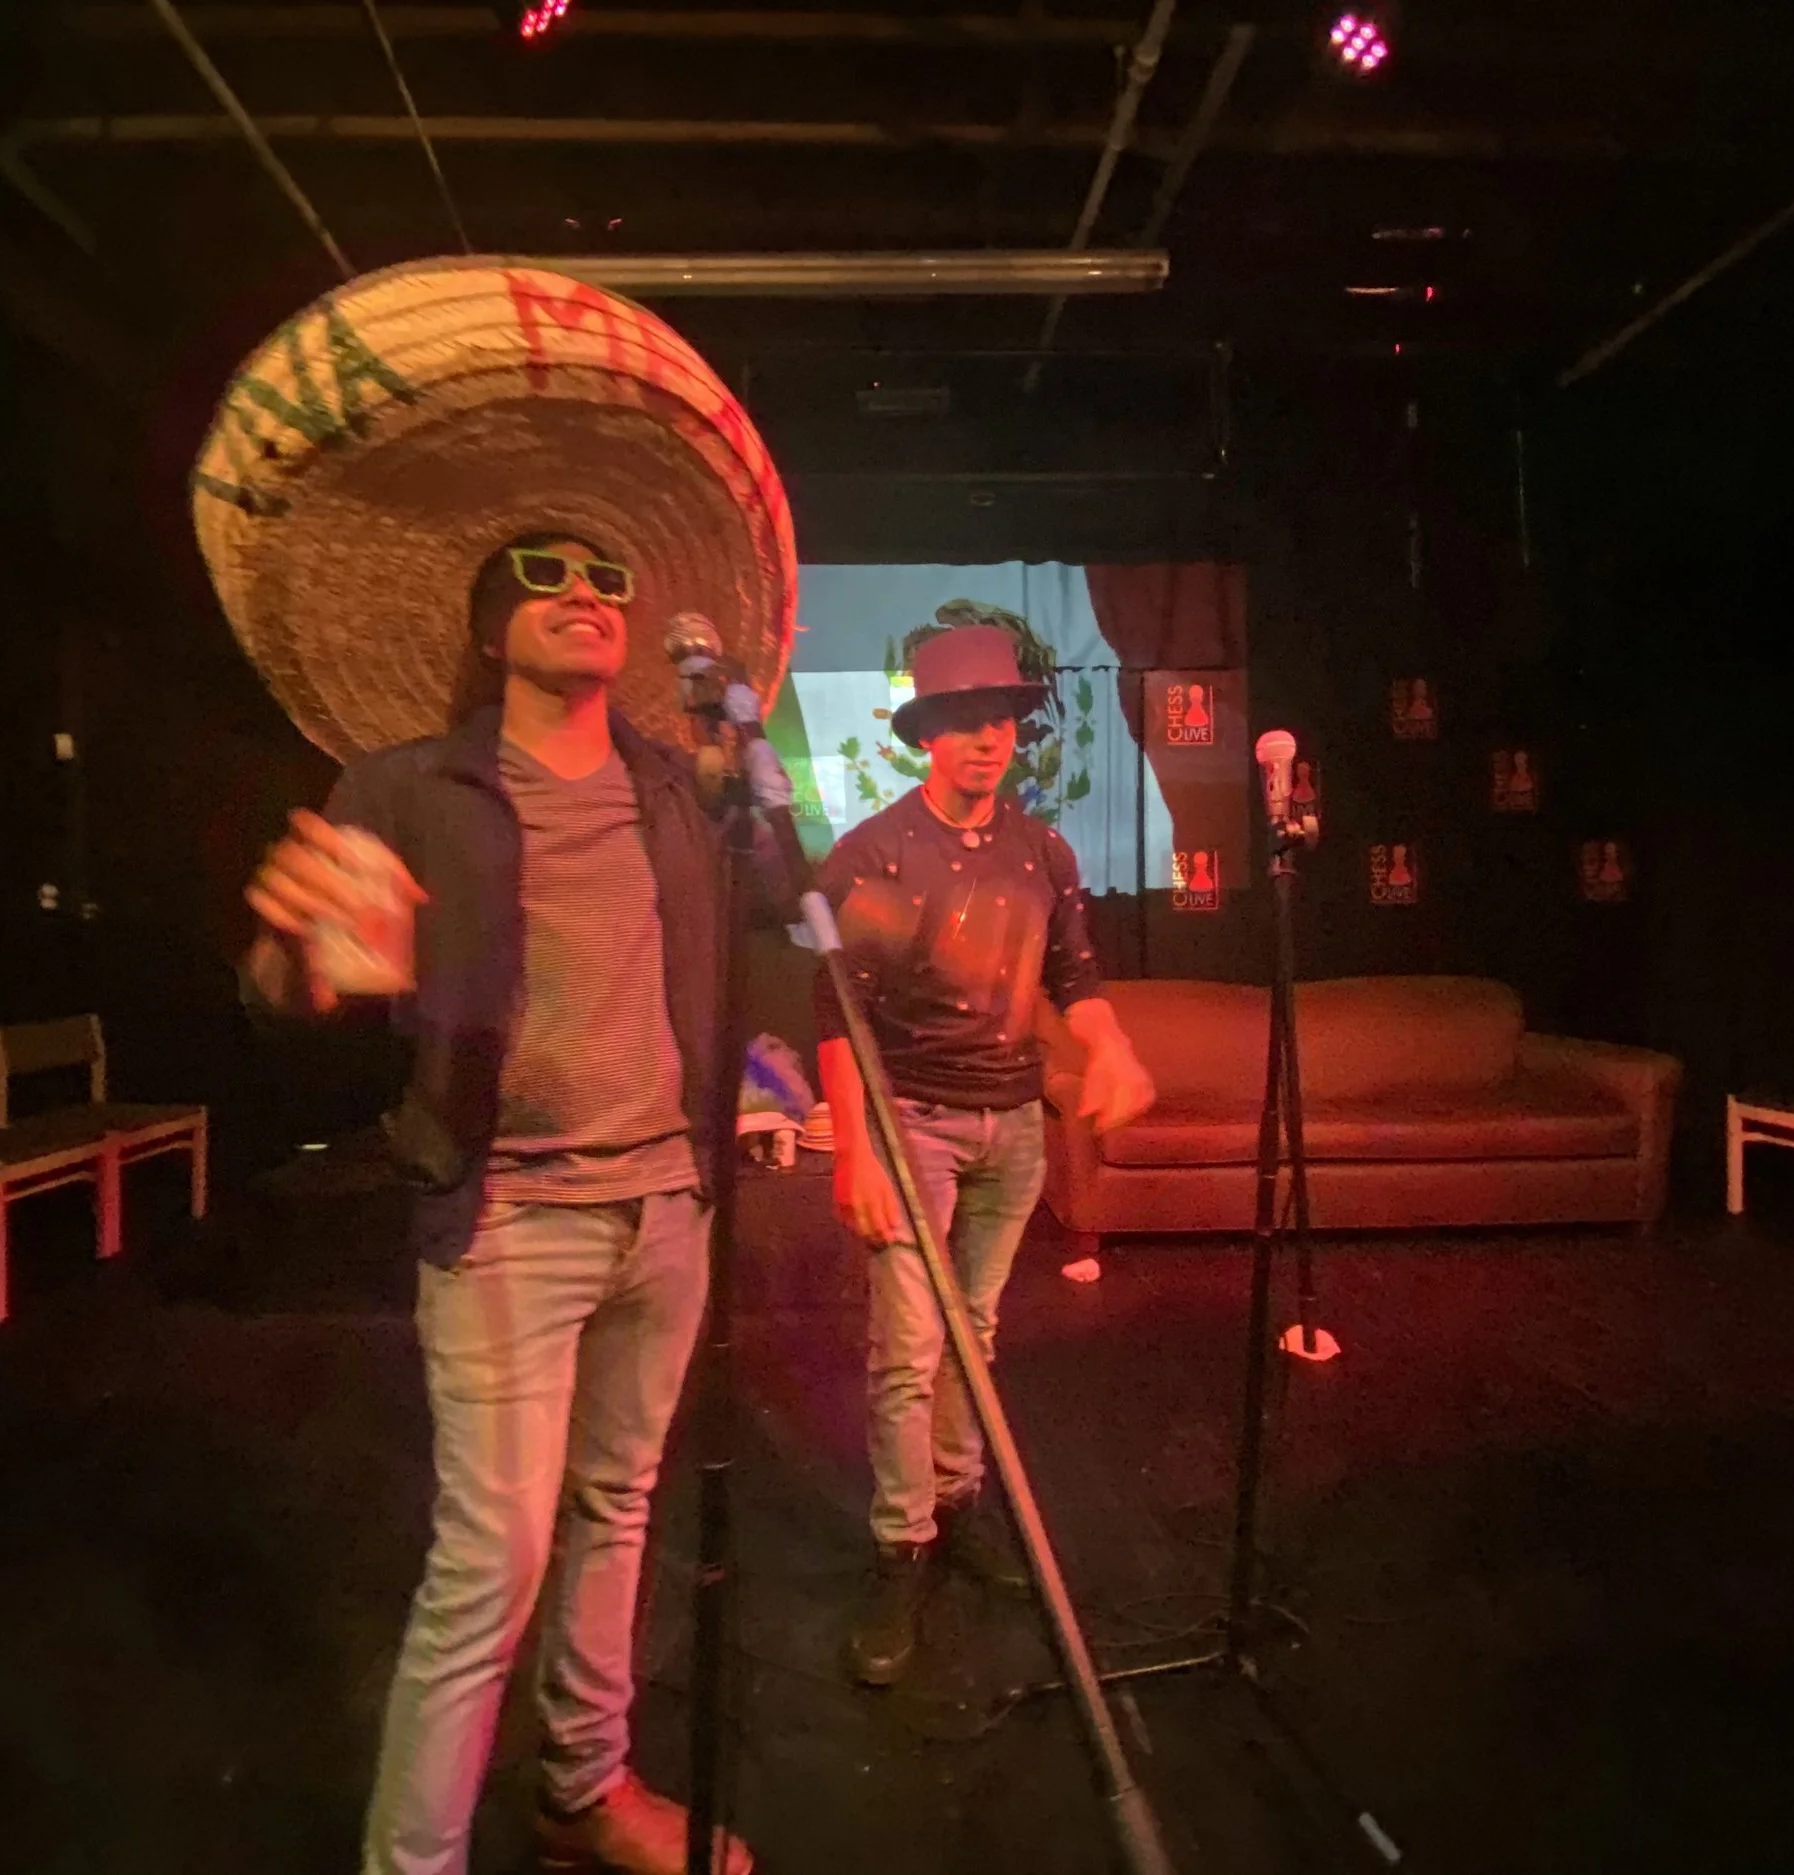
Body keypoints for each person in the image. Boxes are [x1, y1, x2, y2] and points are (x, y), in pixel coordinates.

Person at [244, 532, 760, 1875]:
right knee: (493, 1558)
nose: (584, 588)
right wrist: (293, 946)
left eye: (604, 574)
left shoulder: (679, 783)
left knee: (618, 1504)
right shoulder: (410, 784)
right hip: (508, 1216)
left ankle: (582, 1787)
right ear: (488, 630)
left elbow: (756, 934)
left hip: (667, 1201)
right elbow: (292, 991)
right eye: (542, 572)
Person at [810, 624, 1156, 1688]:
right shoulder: (872, 854)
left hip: (1012, 1130)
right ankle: (901, 1544)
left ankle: (956, 1509)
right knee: (909, 1351)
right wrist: (853, 1154)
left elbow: (1075, 978)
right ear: (926, 734)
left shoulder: (1040, 851)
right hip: (913, 1121)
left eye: (999, 719)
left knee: (975, 1335)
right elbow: (836, 1014)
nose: (985, 739)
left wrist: (1112, 1049)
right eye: (962, 721)